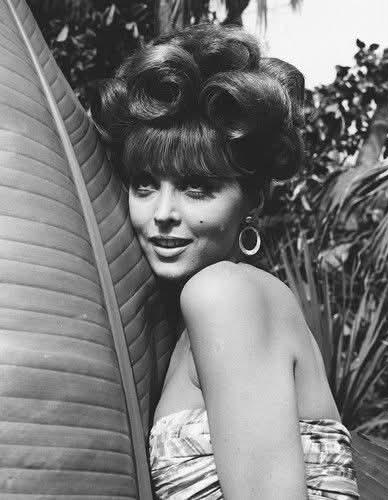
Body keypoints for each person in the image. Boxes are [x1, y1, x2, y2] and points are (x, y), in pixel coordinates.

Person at [91, 23, 359, 500]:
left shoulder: (223, 294)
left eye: (196, 187)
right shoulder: (202, 310)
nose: (163, 213)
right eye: (145, 184)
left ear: (252, 197)